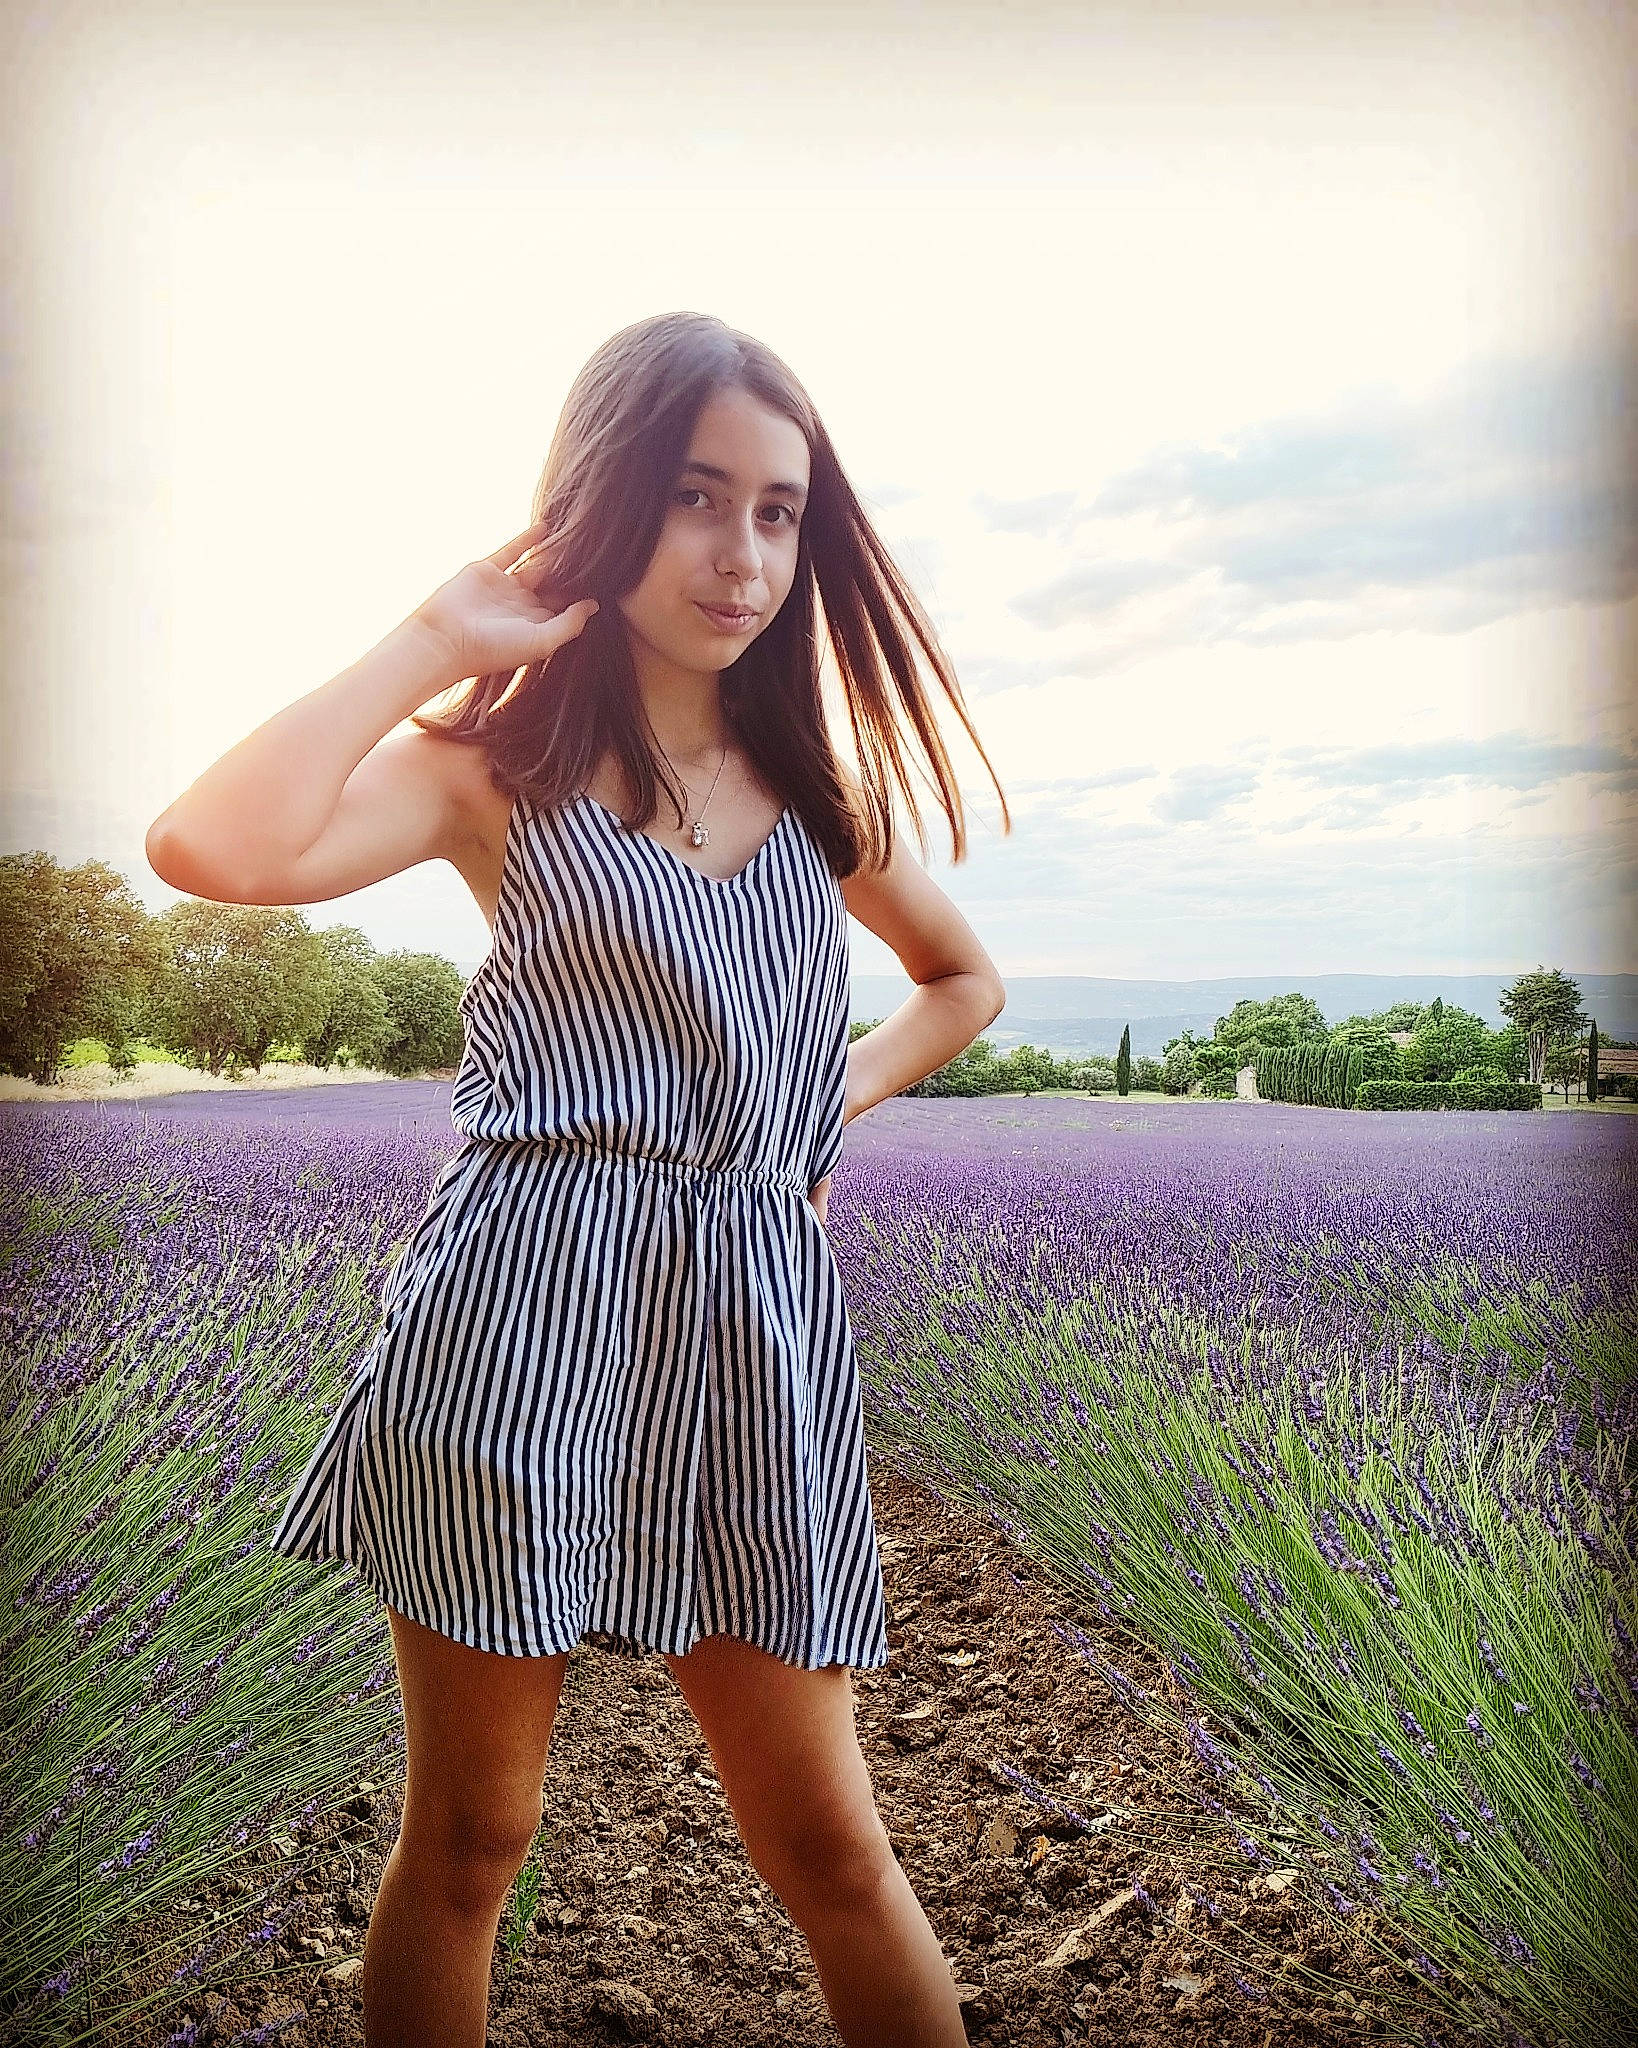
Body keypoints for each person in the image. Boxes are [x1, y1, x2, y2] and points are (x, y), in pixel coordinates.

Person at [146, 310, 1009, 2048]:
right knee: (474, 1840)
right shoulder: (494, 770)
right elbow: (210, 846)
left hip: (753, 1343)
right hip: (515, 1325)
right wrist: (427, 637)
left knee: (832, 1847)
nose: (741, 553)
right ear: (603, 508)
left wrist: (805, 1119)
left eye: (778, 511)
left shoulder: (812, 785)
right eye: (696, 498)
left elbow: (961, 981)